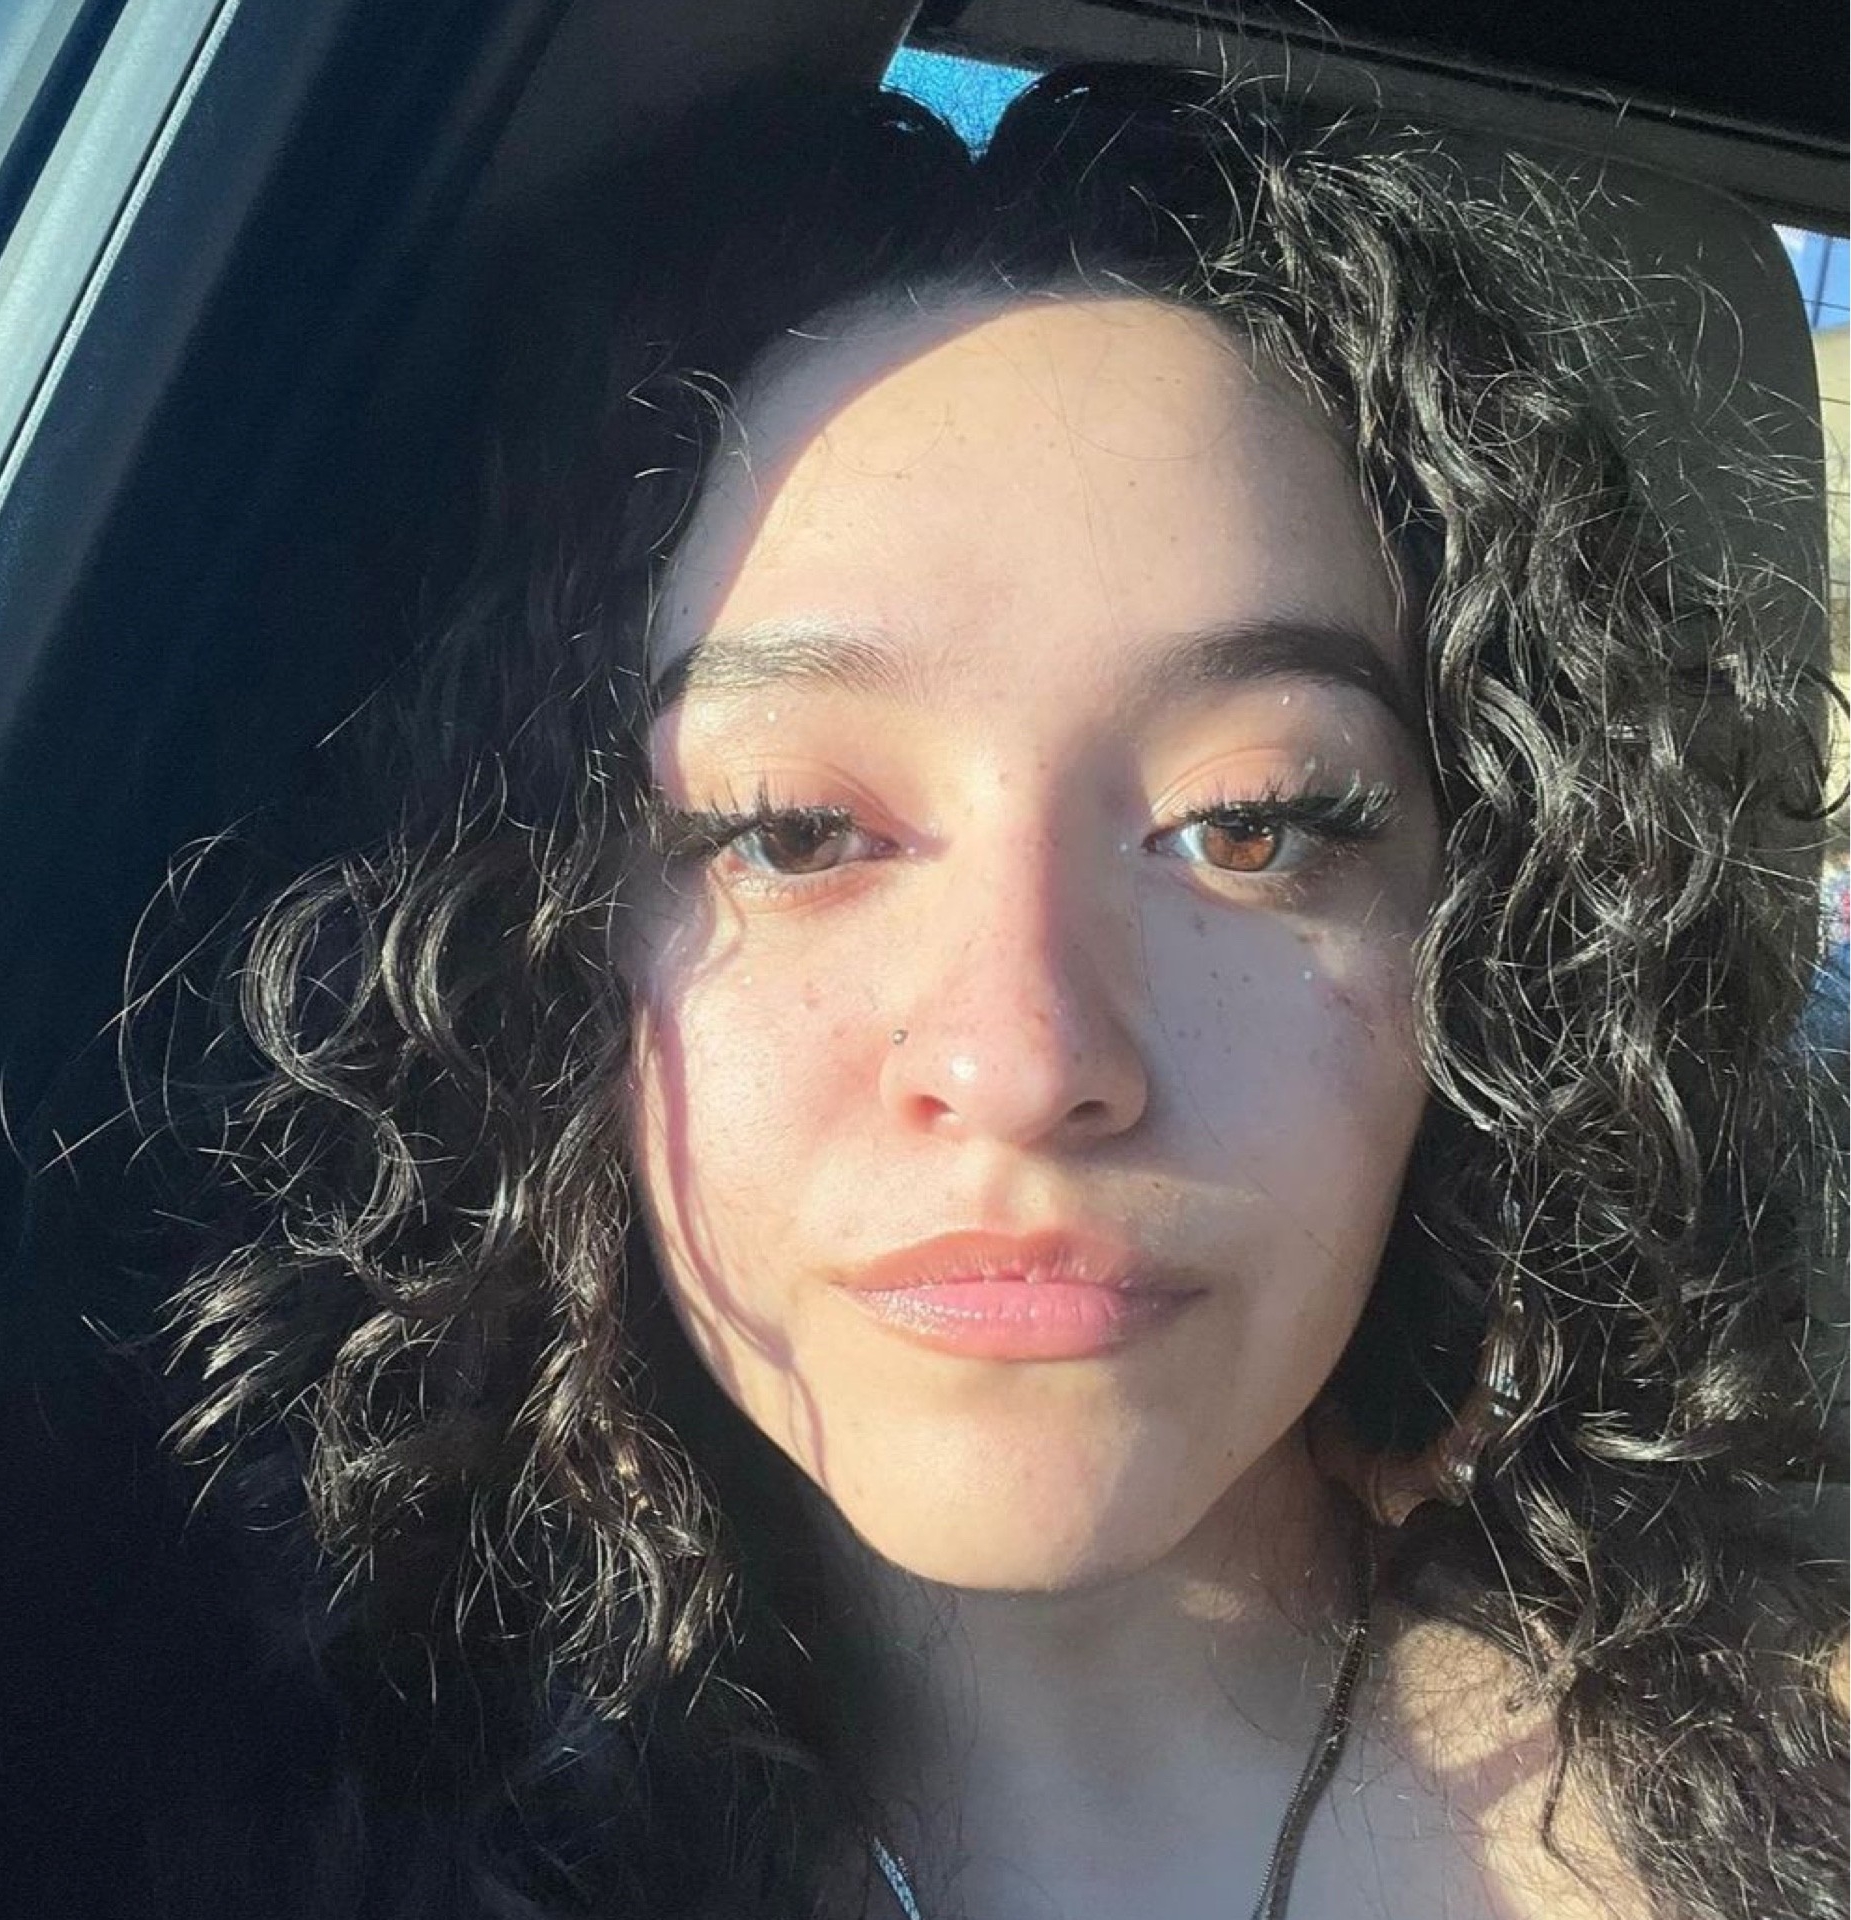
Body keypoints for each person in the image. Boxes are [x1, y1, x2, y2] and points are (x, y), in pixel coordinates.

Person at [144, 63, 1847, 1920]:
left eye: (1252, 823)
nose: (1027, 1056)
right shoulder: (227, 1814)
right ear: (541, 949)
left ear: (1495, 944)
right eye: (793, 829)